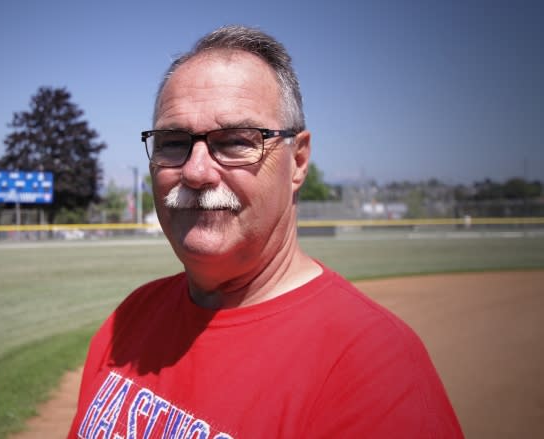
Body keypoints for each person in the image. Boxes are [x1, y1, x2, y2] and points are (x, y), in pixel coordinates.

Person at [68, 25, 463, 438]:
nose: (196, 171)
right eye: (172, 142)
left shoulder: (377, 370)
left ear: (298, 161)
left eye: (236, 141)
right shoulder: (131, 317)